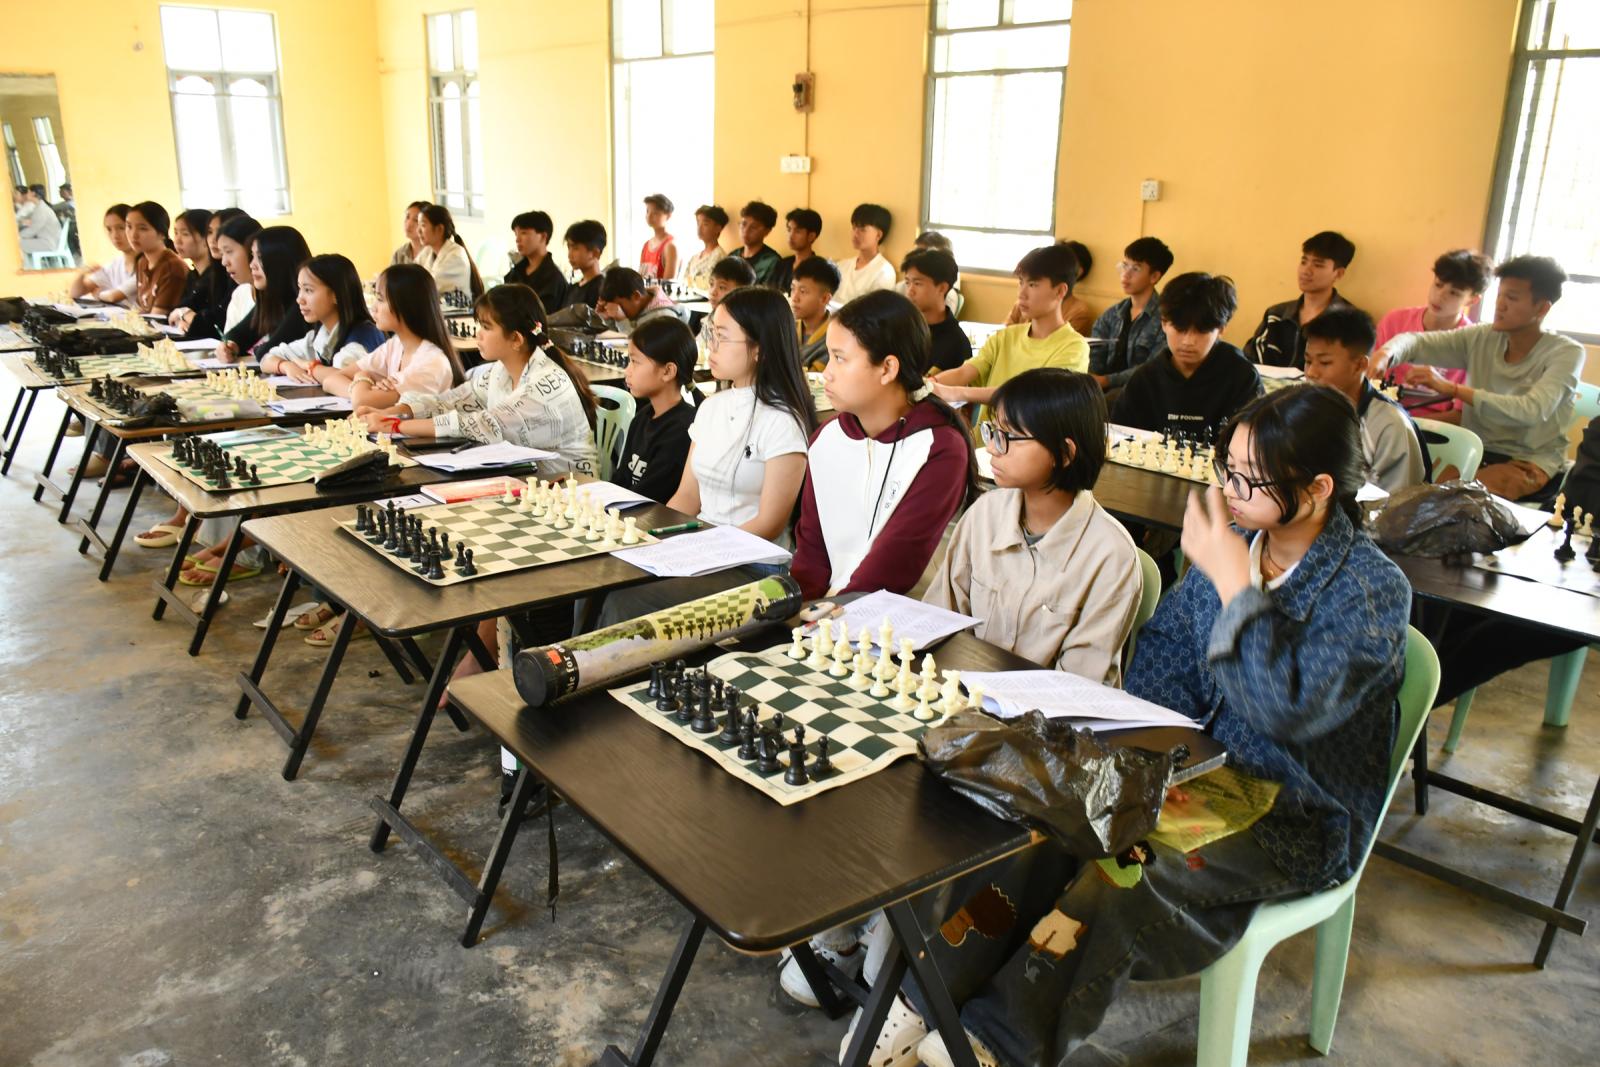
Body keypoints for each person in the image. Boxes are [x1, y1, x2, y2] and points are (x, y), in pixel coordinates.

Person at [895, 385, 1411, 1067]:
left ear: (1317, 489)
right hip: (1182, 774)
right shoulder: (1241, 542)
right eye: (1226, 468)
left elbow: (1289, 711)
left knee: (1119, 878)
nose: (1227, 490)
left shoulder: (1370, 589)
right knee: (1036, 830)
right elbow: (1165, 653)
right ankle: (925, 999)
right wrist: (1153, 754)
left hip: (1287, 814)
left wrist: (1234, 587)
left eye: (1248, 479)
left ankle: (1000, 1041)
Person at [597, 286, 815, 624]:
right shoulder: (711, 407)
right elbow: (687, 497)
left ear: (758, 348)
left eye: (722, 337)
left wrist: (702, 548)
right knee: (604, 574)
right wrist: (646, 537)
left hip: (755, 568)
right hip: (701, 552)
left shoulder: (783, 421)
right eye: (711, 333)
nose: (710, 346)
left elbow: (770, 523)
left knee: (627, 602)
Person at [925, 368, 1142, 685]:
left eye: (1008, 437)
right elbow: (937, 623)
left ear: (1064, 454)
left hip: (1049, 712)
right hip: (961, 696)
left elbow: (1076, 687)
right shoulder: (984, 515)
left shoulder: (1111, 557)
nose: (993, 448)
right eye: (992, 431)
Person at [789, 290, 974, 600]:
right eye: (829, 356)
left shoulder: (939, 449)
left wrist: (820, 614)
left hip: (898, 616)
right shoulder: (827, 437)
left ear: (887, 368)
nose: (827, 374)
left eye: (840, 358)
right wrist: (798, 612)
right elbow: (811, 554)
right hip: (826, 612)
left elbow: (893, 566)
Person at [1373, 255, 1584, 501]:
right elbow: (1416, 342)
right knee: (1407, 492)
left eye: (1512, 298)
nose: (1500, 305)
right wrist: (1385, 354)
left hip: (1527, 462)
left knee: (1446, 502)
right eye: (1499, 295)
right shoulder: (1482, 337)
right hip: (1473, 450)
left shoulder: (1567, 353)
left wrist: (1453, 389)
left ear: (1542, 308)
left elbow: (1531, 410)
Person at [361, 284, 599, 477]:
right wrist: (393, 412)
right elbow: (450, 402)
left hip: (571, 492)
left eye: (486, 327)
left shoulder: (544, 385)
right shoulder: (500, 371)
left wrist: (394, 426)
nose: (478, 334)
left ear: (516, 339)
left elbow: (482, 424)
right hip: (528, 481)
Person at [930, 243, 1089, 424]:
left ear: (1060, 291)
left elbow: (1032, 397)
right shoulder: (1005, 337)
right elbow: (965, 372)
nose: (1022, 293)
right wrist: (929, 383)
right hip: (985, 439)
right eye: (1021, 282)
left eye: (1032, 284)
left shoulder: (1074, 347)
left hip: (1030, 440)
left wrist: (956, 393)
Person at [1112, 272, 1262, 441]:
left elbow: (1255, 444)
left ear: (1221, 329)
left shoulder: (1242, 377)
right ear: (1164, 323)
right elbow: (1119, 439)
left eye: (1201, 331)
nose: (1188, 341)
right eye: (1180, 329)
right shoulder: (1144, 380)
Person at [1301, 307, 1425, 494]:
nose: (1311, 373)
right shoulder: (1303, 409)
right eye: (1308, 361)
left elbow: (1398, 504)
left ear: (1359, 365)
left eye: (1325, 363)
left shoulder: (1390, 426)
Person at [322, 263, 461, 409]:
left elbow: (361, 402)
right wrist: (363, 388)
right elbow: (330, 380)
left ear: (405, 305)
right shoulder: (396, 345)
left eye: (380, 299)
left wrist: (361, 377)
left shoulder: (430, 363)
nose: (374, 307)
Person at [1375, 248, 1494, 415]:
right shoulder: (1394, 321)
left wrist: (1409, 424)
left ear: (1472, 300)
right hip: (1383, 414)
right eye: (1438, 285)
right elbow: (1368, 380)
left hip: (1432, 425)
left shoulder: (1474, 344)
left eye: (1454, 293)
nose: (1439, 296)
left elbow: (1459, 416)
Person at [259, 253, 387, 383]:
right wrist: (286, 366)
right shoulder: (321, 335)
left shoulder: (361, 339)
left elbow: (340, 380)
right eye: (300, 289)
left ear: (336, 294)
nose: (299, 299)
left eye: (308, 290)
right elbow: (267, 359)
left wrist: (308, 366)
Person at [612, 315, 698, 502]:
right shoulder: (642, 417)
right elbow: (621, 478)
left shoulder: (682, 430)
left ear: (667, 371)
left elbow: (649, 495)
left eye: (635, 362)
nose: (627, 371)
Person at [1243, 230, 1358, 368]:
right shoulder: (1276, 315)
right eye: (1304, 262)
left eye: (1318, 265)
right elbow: (1250, 361)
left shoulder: (1350, 321)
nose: (1306, 271)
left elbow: (1349, 370)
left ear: (1338, 274)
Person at [218, 225, 315, 362]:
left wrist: (256, 349)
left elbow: (267, 352)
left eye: (260, 258)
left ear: (281, 261)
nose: (252, 265)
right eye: (252, 256)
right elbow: (238, 334)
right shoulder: (272, 299)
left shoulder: (302, 304)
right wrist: (229, 345)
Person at [1089, 237, 1172, 393]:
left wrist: (1106, 381)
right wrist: (1092, 381)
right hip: (1100, 391)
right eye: (1125, 265)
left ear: (1154, 276)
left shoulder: (1167, 319)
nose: (1125, 275)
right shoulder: (1112, 314)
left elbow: (1153, 368)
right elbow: (1094, 354)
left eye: (1136, 269)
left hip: (1141, 392)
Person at [900, 248, 969, 372]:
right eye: (907, 283)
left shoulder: (956, 343)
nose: (910, 291)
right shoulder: (900, 328)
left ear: (942, 288)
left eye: (917, 283)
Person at [208, 213, 264, 361]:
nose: (224, 262)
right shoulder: (240, 294)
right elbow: (231, 339)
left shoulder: (283, 299)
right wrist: (227, 348)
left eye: (229, 252)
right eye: (222, 253)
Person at [166, 208, 228, 339]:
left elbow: (211, 322)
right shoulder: (193, 274)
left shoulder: (221, 276)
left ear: (204, 238)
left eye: (185, 234)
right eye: (175, 233)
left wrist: (185, 315)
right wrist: (183, 318)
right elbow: (178, 310)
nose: (177, 240)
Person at [124, 201, 188, 316]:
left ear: (161, 233)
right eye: (129, 227)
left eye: (142, 228)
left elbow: (157, 316)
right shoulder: (142, 261)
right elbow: (142, 309)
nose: (133, 235)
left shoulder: (172, 267)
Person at [68, 205, 138, 306]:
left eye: (121, 228)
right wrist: (82, 273)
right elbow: (75, 294)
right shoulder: (114, 265)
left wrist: (99, 295)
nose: (115, 235)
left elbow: (113, 296)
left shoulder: (147, 264)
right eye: (109, 229)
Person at [504, 210, 569, 312]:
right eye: (516, 234)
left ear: (543, 237)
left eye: (523, 233)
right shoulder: (515, 273)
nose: (517, 239)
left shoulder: (554, 279)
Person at [415, 204, 483, 298]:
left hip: (455, 307)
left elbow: (429, 286)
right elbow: (412, 274)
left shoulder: (456, 256)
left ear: (439, 229)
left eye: (423, 225)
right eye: (418, 225)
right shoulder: (427, 252)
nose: (418, 230)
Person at [833, 203, 896, 304]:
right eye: (854, 228)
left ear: (878, 235)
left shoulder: (884, 272)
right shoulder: (842, 266)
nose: (855, 234)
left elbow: (876, 309)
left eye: (862, 229)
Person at [789, 256, 840, 370]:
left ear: (825, 298)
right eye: (792, 289)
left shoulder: (834, 339)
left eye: (803, 291)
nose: (794, 298)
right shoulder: (787, 326)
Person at [596, 267, 680, 335]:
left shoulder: (662, 317)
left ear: (636, 296)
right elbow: (618, 341)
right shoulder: (637, 307)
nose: (618, 311)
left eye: (619, 306)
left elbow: (641, 346)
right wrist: (609, 318)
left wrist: (622, 321)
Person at [773, 207, 822, 293]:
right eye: (789, 230)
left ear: (811, 236)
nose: (791, 236)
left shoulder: (819, 268)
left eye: (797, 231)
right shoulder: (782, 264)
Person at [733, 200, 782, 286]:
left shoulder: (772, 262)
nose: (746, 231)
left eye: (753, 227)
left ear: (767, 231)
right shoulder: (733, 256)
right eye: (743, 224)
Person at [561, 219, 608, 308]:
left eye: (575, 248)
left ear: (595, 253)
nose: (569, 255)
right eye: (569, 247)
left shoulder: (602, 289)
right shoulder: (572, 288)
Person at [682, 205, 729, 292]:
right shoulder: (695, 257)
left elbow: (708, 285)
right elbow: (685, 281)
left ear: (718, 228)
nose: (699, 228)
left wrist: (692, 282)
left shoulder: (720, 257)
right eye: (698, 223)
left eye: (705, 224)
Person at [638, 193, 678, 282]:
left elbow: (668, 284)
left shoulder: (670, 246)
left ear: (668, 215)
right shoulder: (646, 245)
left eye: (655, 213)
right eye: (647, 211)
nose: (649, 216)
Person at [17, 185, 61, 252]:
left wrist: (17, 235)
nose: (26, 194)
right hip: (48, 240)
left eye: (28, 192)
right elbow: (29, 222)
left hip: (48, 243)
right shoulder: (39, 207)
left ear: (33, 193)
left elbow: (33, 229)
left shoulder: (41, 209)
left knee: (14, 243)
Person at [392, 200, 430, 265]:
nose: (409, 224)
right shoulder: (399, 254)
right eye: (407, 217)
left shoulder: (433, 253)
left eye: (416, 220)